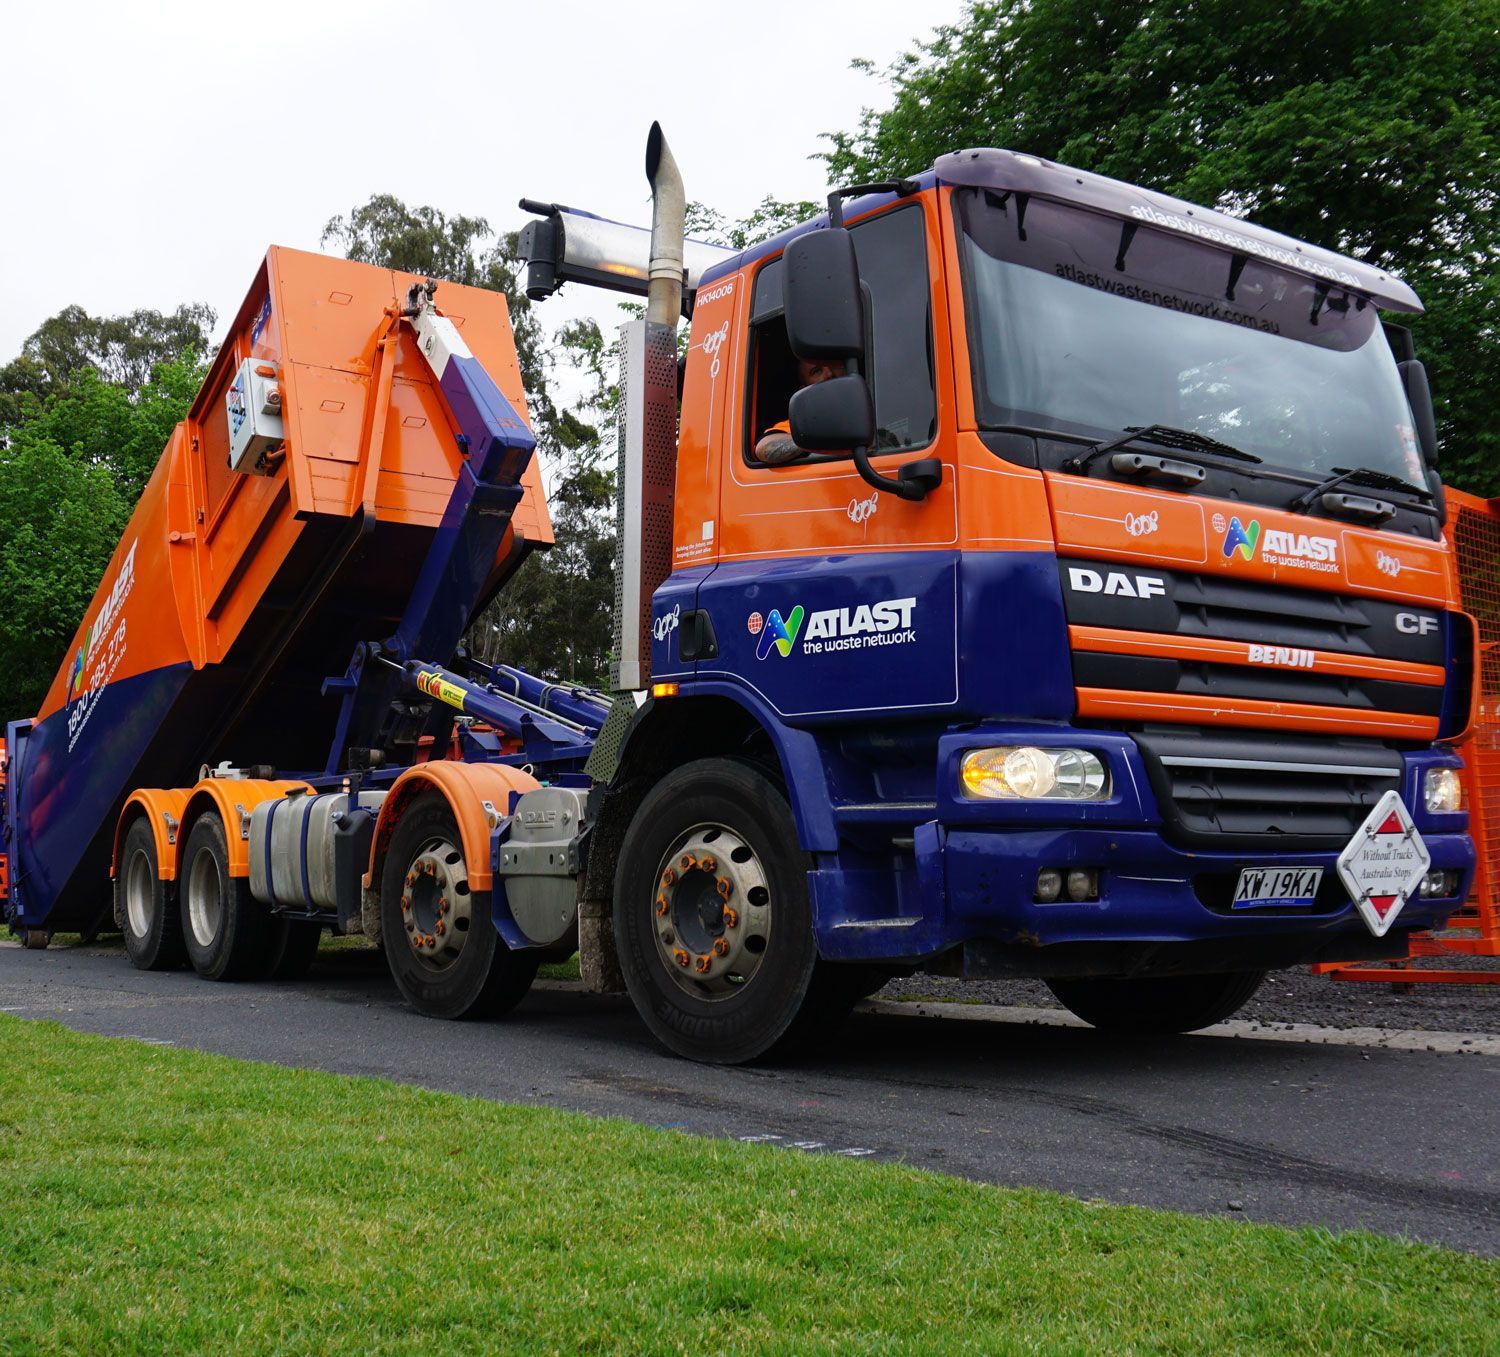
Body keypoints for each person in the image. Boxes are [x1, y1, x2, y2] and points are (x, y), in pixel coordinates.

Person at [752, 358, 842, 465]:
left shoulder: (866, 410)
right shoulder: (802, 425)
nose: (829, 374)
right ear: (804, 390)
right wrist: (826, 439)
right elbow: (764, 448)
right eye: (817, 371)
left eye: (833, 364)